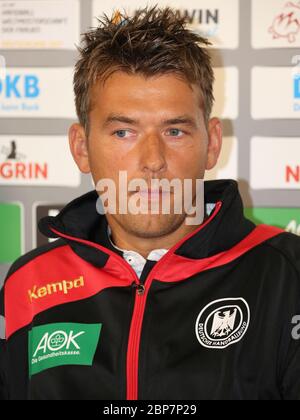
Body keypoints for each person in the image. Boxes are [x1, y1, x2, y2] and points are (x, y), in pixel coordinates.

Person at [1, 5, 300, 401]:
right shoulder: (29, 283)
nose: (153, 160)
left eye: (174, 130)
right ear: (81, 147)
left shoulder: (287, 275)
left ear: (211, 144)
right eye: (124, 132)